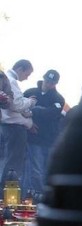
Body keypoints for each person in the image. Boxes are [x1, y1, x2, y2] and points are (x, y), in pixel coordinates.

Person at [21, 69, 65, 198]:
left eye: (52, 82)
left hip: (50, 139)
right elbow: (20, 109)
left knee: (47, 169)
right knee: (35, 168)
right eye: (47, 81)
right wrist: (29, 121)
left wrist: (34, 110)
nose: (49, 84)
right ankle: (37, 195)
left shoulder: (58, 98)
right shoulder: (29, 92)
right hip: (34, 137)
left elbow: (52, 113)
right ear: (43, 79)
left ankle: (43, 194)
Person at [0, 59, 37, 193]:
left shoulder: (6, 79)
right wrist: (31, 102)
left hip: (5, 127)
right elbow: (16, 104)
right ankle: (7, 197)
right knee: (13, 166)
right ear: (20, 69)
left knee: (5, 162)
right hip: (14, 128)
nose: (27, 78)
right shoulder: (11, 80)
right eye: (27, 74)